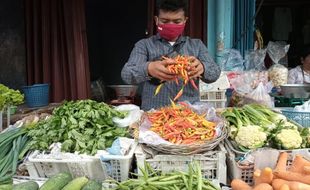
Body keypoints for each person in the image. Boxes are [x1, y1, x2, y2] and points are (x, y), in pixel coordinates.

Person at [121, 0, 221, 111]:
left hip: (189, 115)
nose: (171, 25)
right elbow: (126, 74)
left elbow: (215, 73)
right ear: (156, 20)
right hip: (154, 113)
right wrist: (148, 68)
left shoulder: (196, 45)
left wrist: (202, 67)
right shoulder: (144, 45)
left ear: (185, 21)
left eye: (177, 21)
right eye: (165, 21)